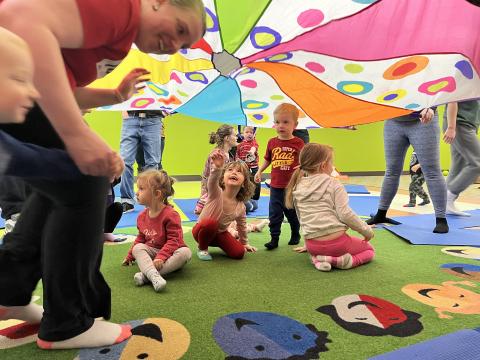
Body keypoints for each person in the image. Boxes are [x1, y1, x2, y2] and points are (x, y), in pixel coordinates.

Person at [0, 0, 205, 350]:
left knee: (61, 187)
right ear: (156, 2)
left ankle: (11, 290)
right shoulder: (123, 9)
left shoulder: (122, 41)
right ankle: (67, 322)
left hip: (27, 100)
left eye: (184, 46)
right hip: (21, 99)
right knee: (86, 179)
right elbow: (21, 18)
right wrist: (77, 135)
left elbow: (59, 85)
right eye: (181, 29)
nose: (175, 46)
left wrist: (112, 94)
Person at [285, 143, 375, 271]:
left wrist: (308, 243)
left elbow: (302, 218)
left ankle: (318, 259)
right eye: (331, 163)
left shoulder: (297, 186)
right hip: (338, 243)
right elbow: (345, 214)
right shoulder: (334, 183)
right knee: (369, 250)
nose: (332, 166)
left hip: (313, 246)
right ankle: (342, 261)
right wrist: (366, 231)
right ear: (323, 166)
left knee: (321, 251)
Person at [366, 108, 449, 233]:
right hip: (394, 121)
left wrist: (432, 108)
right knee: (391, 171)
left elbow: (436, 89)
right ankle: (381, 214)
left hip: (423, 120)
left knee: (432, 171)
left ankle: (441, 219)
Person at [122, 169, 191, 291]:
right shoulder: (142, 216)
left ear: (157, 194)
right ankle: (153, 274)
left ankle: (147, 275)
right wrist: (130, 256)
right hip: (153, 251)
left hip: (171, 252)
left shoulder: (171, 215)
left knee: (185, 253)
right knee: (137, 248)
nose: (137, 193)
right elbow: (141, 238)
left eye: (141, 189)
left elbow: (174, 240)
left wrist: (161, 257)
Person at [254, 103, 304, 250]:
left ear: (295, 124)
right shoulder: (272, 142)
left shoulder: (298, 143)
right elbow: (268, 159)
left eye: (285, 122)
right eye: (277, 122)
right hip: (275, 186)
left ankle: (295, 234)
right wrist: (259, 171)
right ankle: (274, 238)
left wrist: (301, 169)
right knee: (274, 213)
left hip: (291, 186)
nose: (280, 125)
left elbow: (304, 162)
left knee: (292, 213)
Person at [192, 150, 257, 260]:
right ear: (222, 179)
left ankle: (226, 244)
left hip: (219, 235)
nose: (234, 173)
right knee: (210, 223)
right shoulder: (216, 193)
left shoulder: (241, 207)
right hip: (201, 232)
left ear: (244, 183)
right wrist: (217, 169)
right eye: (230, 170)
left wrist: (244, 243)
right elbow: (211, 182)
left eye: (239, 172)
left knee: (239, 253)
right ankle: (202, 248)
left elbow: (242, 226)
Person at [120, 110, 164, 213]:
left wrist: (166, 111)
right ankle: (127, 201)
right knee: (124, 161)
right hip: (131, 118)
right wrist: (124, 111)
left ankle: (150, 200)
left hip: (153, 119)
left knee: (152, 162)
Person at [443, 100, 480, 216]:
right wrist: (451, 127)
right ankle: (449, 198)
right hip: (459, 124)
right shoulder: (465, 81)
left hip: (465, 125)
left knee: (458, 164)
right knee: (477, 163)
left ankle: (444, 202)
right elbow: (452, 100)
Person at [195, 124, 236, 215]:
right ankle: (204, 203)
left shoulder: (228, 153)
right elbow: (213, 180)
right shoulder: (217, 155)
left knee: (250, 205)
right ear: (227, 138)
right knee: (242, 207)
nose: (236, 137)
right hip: (213, 192)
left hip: (222, 189)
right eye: (234, 135)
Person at [236, 126, 260, 212]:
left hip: (253, 167)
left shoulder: (254, 142)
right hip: (244, 168)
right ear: (243, 134)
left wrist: (252, 152)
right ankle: (245, 199)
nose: (249, 134)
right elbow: (237, 155)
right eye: (247, 132)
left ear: (254, 134)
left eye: (251, 132)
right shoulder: (240, 144)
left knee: (255, 182)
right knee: (244, 183)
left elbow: (254, 147)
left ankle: (253, 198)